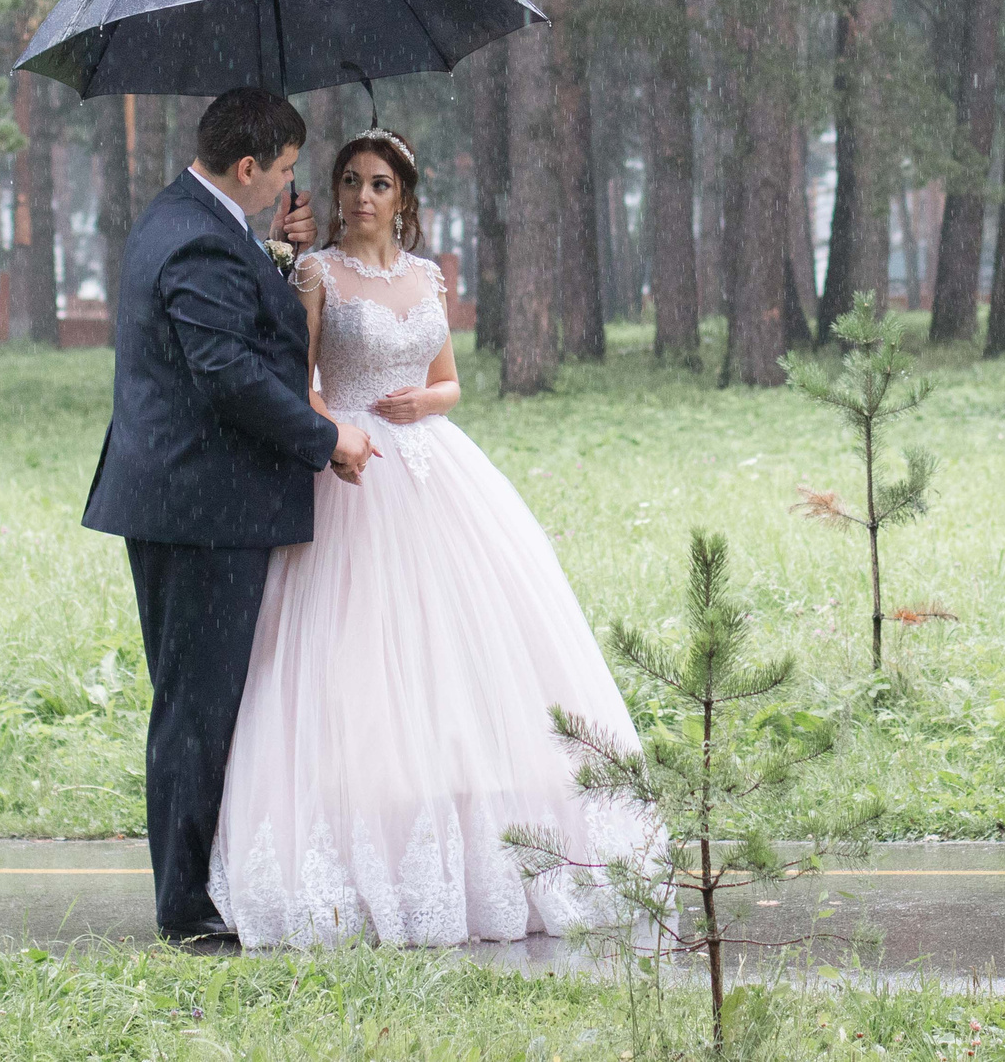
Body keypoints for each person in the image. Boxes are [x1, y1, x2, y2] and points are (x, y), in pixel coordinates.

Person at [207, 127, 658, 947]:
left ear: (404, 199)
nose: (361, 196)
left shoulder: (425, 277)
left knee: (465, 650)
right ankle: (366, 830)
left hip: (436, 470)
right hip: (352, 471)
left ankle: (482, 829)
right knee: (357, 653)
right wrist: (335, 425)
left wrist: (428, 403)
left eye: (379, 183)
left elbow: (449, 379)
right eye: (349, 181)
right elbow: (295, 381)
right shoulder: (317, 273)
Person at [83, 87, 378, 944]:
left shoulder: (194, 221)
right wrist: (327, 439)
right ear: (247, 166)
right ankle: (185, 910)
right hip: (199, 508)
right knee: (197, 708)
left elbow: (239, 331)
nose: (290, 182)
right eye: (283, 168)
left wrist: (278, 257)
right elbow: (231, 374)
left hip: (197, 502)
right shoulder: (197, 243)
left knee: (206, 703)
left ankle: (207, 880)